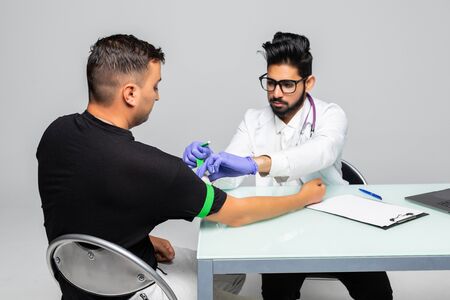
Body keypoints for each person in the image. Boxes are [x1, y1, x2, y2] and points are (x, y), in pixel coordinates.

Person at [36, 34, 326, 300]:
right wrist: (302, 198)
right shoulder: (156, 169)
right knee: (229, 269)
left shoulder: (55, 134)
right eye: (155, 86)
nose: (157, 95)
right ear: (130, 94)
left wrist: (140, 241)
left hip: (78, 284)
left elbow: (75, 205)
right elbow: (238, 215)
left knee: (224, 269)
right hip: (134, 291)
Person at [183, 32, 393, 300]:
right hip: (279, 225)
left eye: (287, 84)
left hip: (336, 223)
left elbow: (321, 153)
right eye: (270, 83)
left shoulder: (331, 115)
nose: (276, 93)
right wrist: (212, 167)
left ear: (309, 82)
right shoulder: (253, 120)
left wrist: (255, 164)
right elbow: (230, 181)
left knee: (378, 293)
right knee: (276, 294)